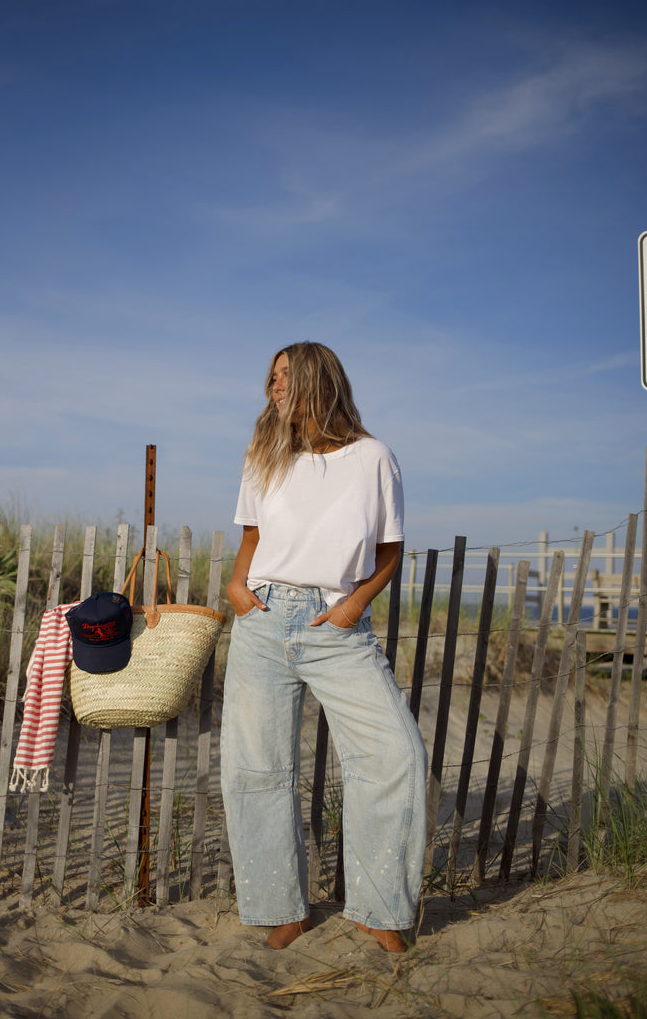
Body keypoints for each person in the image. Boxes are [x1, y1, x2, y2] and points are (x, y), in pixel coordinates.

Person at [221, 341, 427, 952]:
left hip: (334, 624)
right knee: (257, 770)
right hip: (262, 621)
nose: (274, 387)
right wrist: (236, 585)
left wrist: (355, 604)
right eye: (271, 378)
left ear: (318, 379)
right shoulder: (264, 455)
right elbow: (253, 535)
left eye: (285, 376)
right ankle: (279, 908)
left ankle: (380, 909)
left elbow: (389, 549)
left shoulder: (373, 458)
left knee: (395, 757)